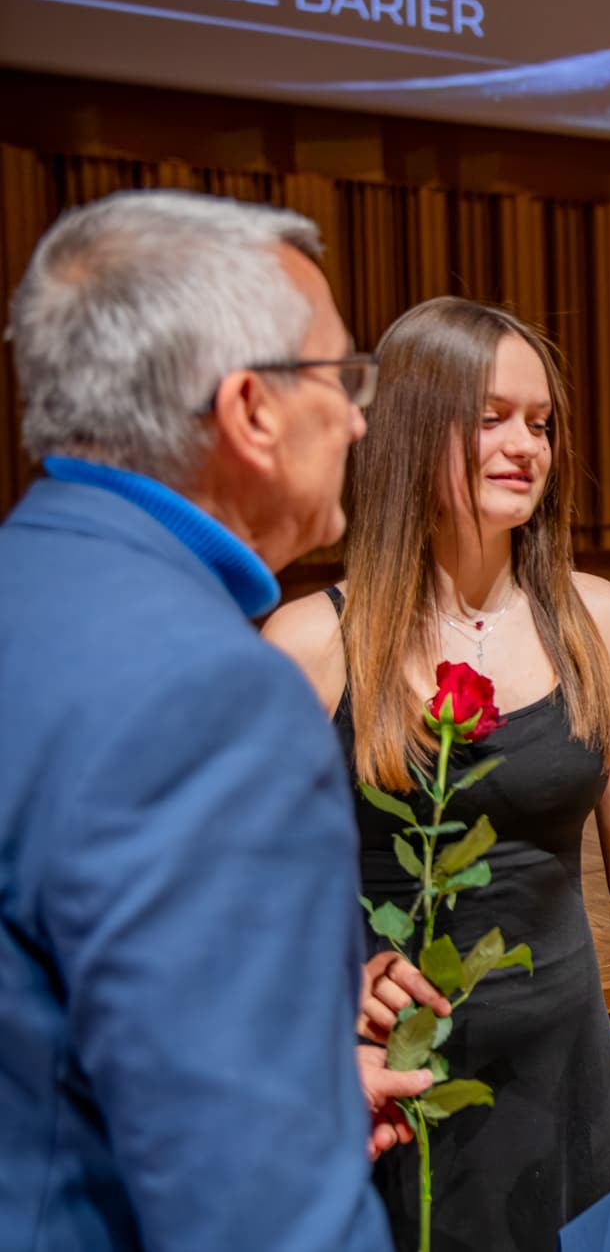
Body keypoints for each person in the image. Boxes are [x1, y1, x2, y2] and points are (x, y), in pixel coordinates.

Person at [264, 297, 610, 1248]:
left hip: (566, 1071)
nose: (527, 446)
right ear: (411, 429)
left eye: (541, 423)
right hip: (390, 1086)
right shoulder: (313, 644)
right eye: (492, 418)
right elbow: (241, 894)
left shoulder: (596, 622)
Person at [0, 190, 414, 1250]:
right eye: (342, 375)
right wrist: (292, 1125)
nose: (359, 418)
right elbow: (259, 1212)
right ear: (251, 409)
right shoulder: (211, 696)